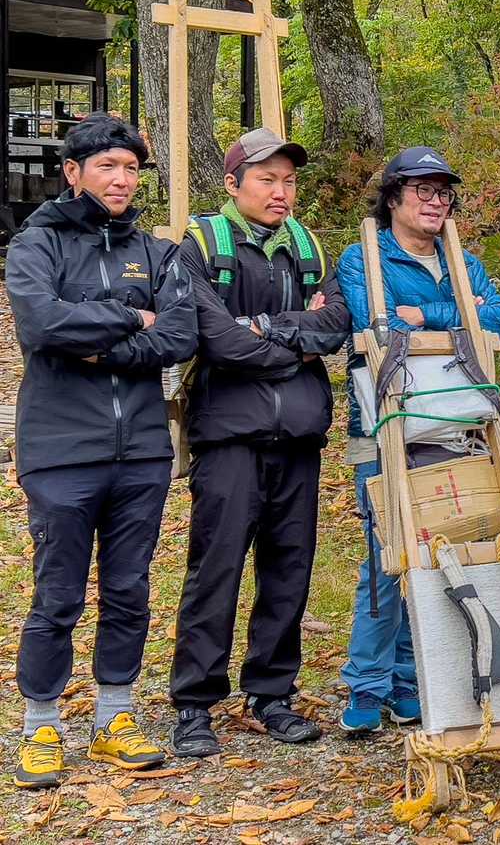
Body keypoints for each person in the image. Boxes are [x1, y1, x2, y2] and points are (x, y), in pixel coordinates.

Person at [6, 114, 197, 787]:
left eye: (131, 168)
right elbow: (41, 323)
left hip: (141, 450)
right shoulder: (37, 244)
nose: (121, 179)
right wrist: (129, 317)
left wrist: (94, 344)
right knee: (57, 595)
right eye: (107, 166)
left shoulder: (157, 251)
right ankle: (41, 725)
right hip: (60, 451)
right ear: (73, 172)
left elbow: (179, 335)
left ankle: (116, 717)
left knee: (128, 590)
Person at [169, 128, 351, 756]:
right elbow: (216, 339)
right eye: (267, 179)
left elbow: (335, 325)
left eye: (289, 181)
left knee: (288, 569)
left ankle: (272, 693)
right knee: (216, 568)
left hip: (297, 437)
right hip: (229, 435)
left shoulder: (307, 246)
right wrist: (294, 347)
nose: (281, 192)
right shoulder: (200, 246)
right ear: (233, 184)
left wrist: (265, 328)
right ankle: (195, 703)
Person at [334, 147, 500, 732]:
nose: (436, 202)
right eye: (423, 191)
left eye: (444, 192)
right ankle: (367, 683)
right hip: (385, 424)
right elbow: (378, 323)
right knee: (388, 555)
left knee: (441, 550)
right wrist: (458, 313)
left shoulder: (463, 259)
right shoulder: (365, 256)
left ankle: (412, 680)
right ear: (393, 198)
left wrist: (426, 313)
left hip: (457, 424)